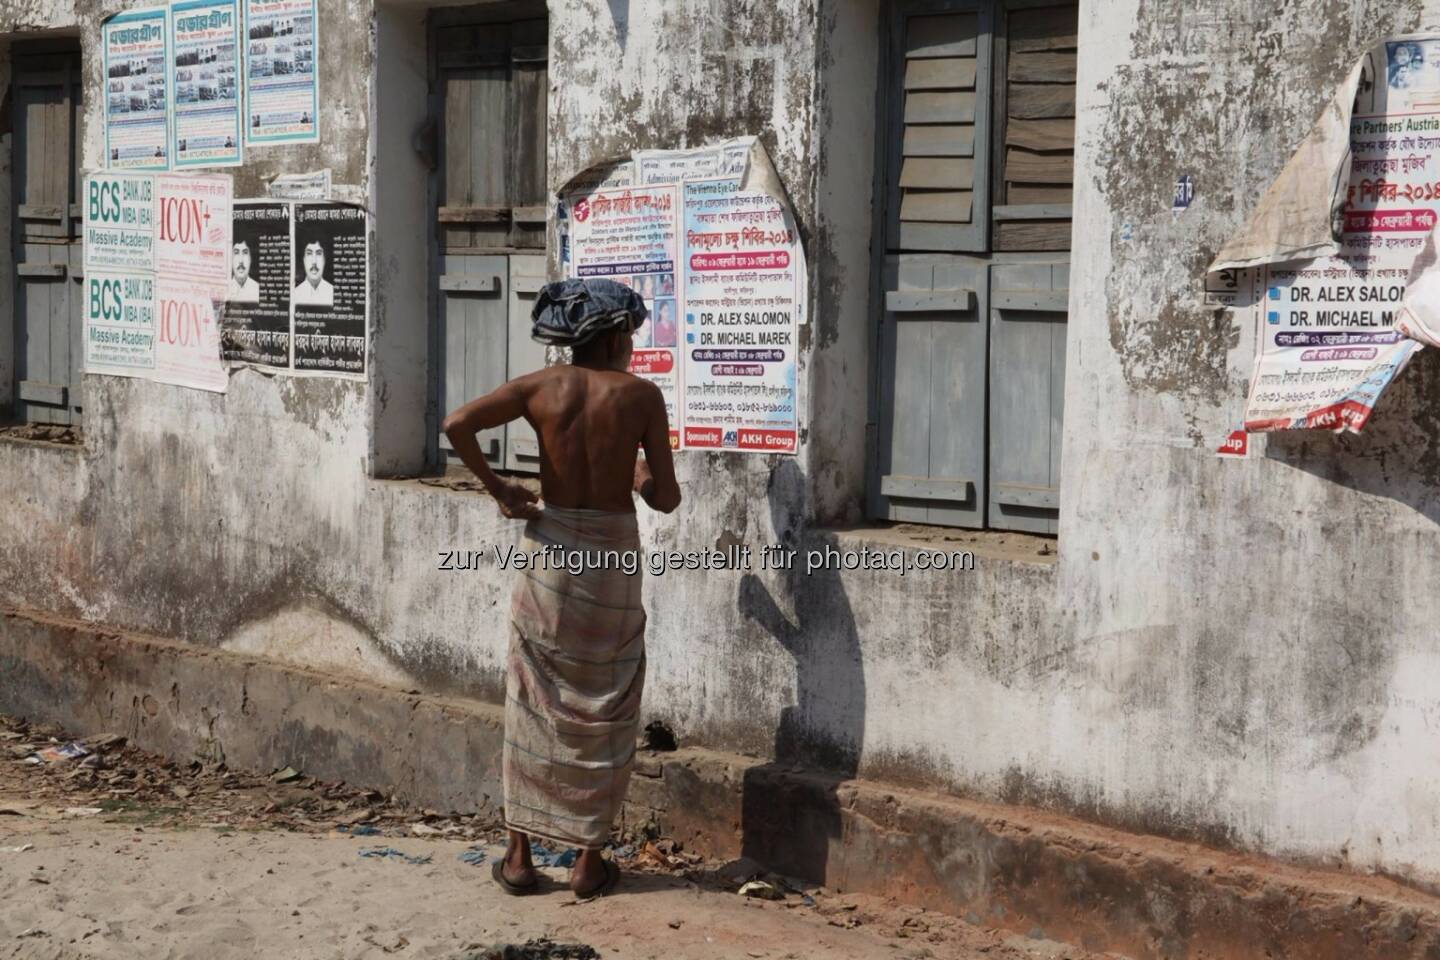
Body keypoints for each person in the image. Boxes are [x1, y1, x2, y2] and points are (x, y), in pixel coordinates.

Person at [442, 278, 681, 900]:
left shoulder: (538, 388)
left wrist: (501, 490)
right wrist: (640, 473)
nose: (632, 344)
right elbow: (667, 498)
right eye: (629, 333)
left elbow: (456, 423)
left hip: (548, 553)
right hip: (611, 561)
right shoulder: (641, 397)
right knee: (606, 697)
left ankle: (519, 856)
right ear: (614, 336)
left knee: (535, 694)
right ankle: (586, 862)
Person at [292, 237, 333, 306]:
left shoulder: (333, 293)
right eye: (309, 253)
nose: (314, 262)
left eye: (319, 254)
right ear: (304, 260)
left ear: (324, 260)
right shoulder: (294, 295)